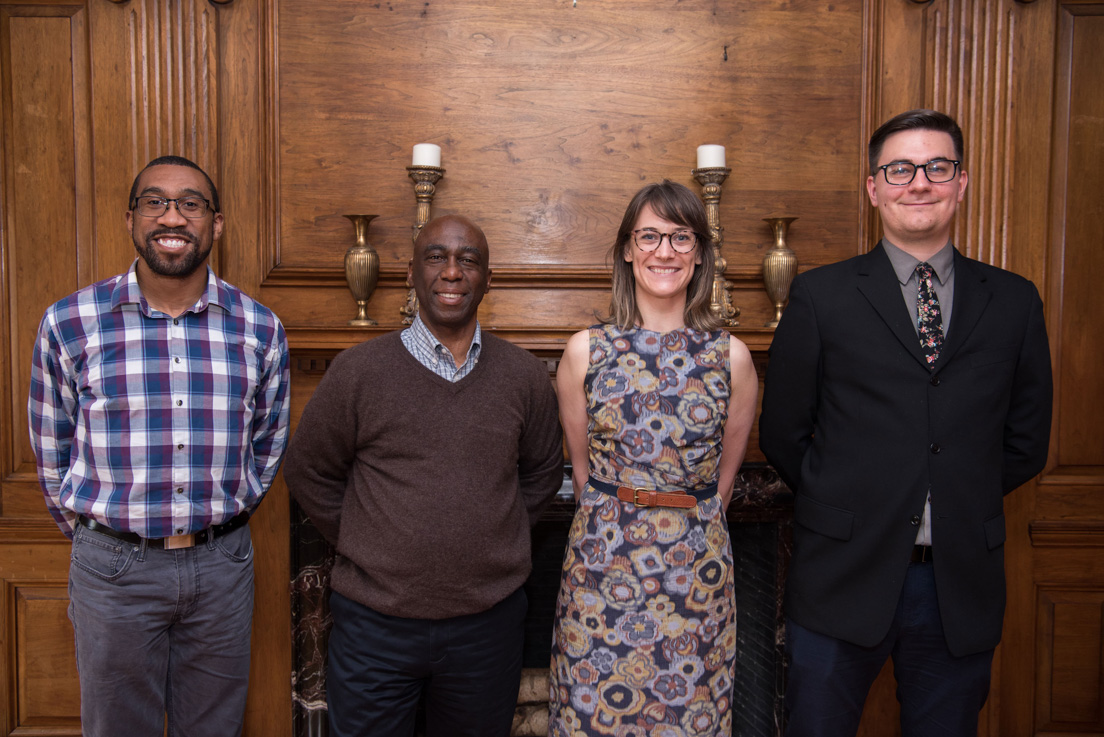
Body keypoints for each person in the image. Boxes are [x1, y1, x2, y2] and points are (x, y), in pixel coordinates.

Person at [759, 109, 1053, 737]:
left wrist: (953, 494)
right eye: (899, 169)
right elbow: (785, 431)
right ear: (874, 187)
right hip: (841, 575)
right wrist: (852, 498)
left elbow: (1026, 443)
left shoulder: (1015, 301)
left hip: (957, 586)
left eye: (936, 167)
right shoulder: (821, 296)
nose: (918, 183)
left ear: (961, 182)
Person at [27, 155, 291, 736]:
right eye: (156, 202)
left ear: (215, 224)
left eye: (190, 204)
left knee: (215, 729)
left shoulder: (259, 328)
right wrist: (106, 538)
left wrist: (224, 518)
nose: (172, 216)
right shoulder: (71, 322)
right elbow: (52, 452)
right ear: (131, 219)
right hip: (114, 568)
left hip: (222, 566)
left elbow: (268, 445)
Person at [282, 214, 564, 737]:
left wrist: (493, 535)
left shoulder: (523, 375)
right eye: (437, 256)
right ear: (411, 272)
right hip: (375, 627)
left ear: (488, 278)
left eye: (468, 260)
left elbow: (544, 473)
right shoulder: (358, 372)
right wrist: (370, 542)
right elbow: (308, 470)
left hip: (487, 626)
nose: (452, 272)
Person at [548, 180, 758, 737]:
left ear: (700, 252)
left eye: (681, 237)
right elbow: (584, 473)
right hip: (602, 564)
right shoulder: (584, 352)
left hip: (696, 573)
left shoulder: (731, 359)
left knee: (691, 717)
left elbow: (724, 485)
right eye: (650, 236)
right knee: (593, 715)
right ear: (626, 248)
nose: (664, 251)